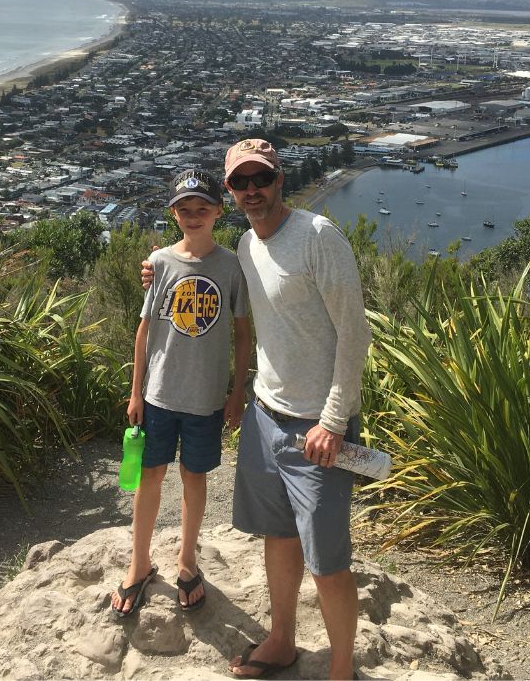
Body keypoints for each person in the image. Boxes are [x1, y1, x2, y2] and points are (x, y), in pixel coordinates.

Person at [142, 140, 371, 680]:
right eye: (240, 183)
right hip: (266, 417)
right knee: (278, 536)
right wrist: (154, 271)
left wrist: (334, 420)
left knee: (329, 560)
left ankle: (342, 669)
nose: (252, 191)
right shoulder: (245, 245)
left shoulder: (318, 237)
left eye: (260, 180)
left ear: (279, 180)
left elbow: (354, 335)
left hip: (318, 425)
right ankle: (283, 640)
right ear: (230, 192)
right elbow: (203, 272)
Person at [111, 168, 252, 618]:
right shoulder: (161, 262)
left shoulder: (231, 266)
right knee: (149, 478)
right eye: (185, 209)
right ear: (174, 214)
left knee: (196, 479)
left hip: (207, 399)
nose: (194, 216)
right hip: (158, 394)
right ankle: (139, 563)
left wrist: (237, 391)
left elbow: (243, 333)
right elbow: (143, 332)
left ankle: (187, 560)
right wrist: (135, 393)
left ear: (218, 212)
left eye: (202, 209)